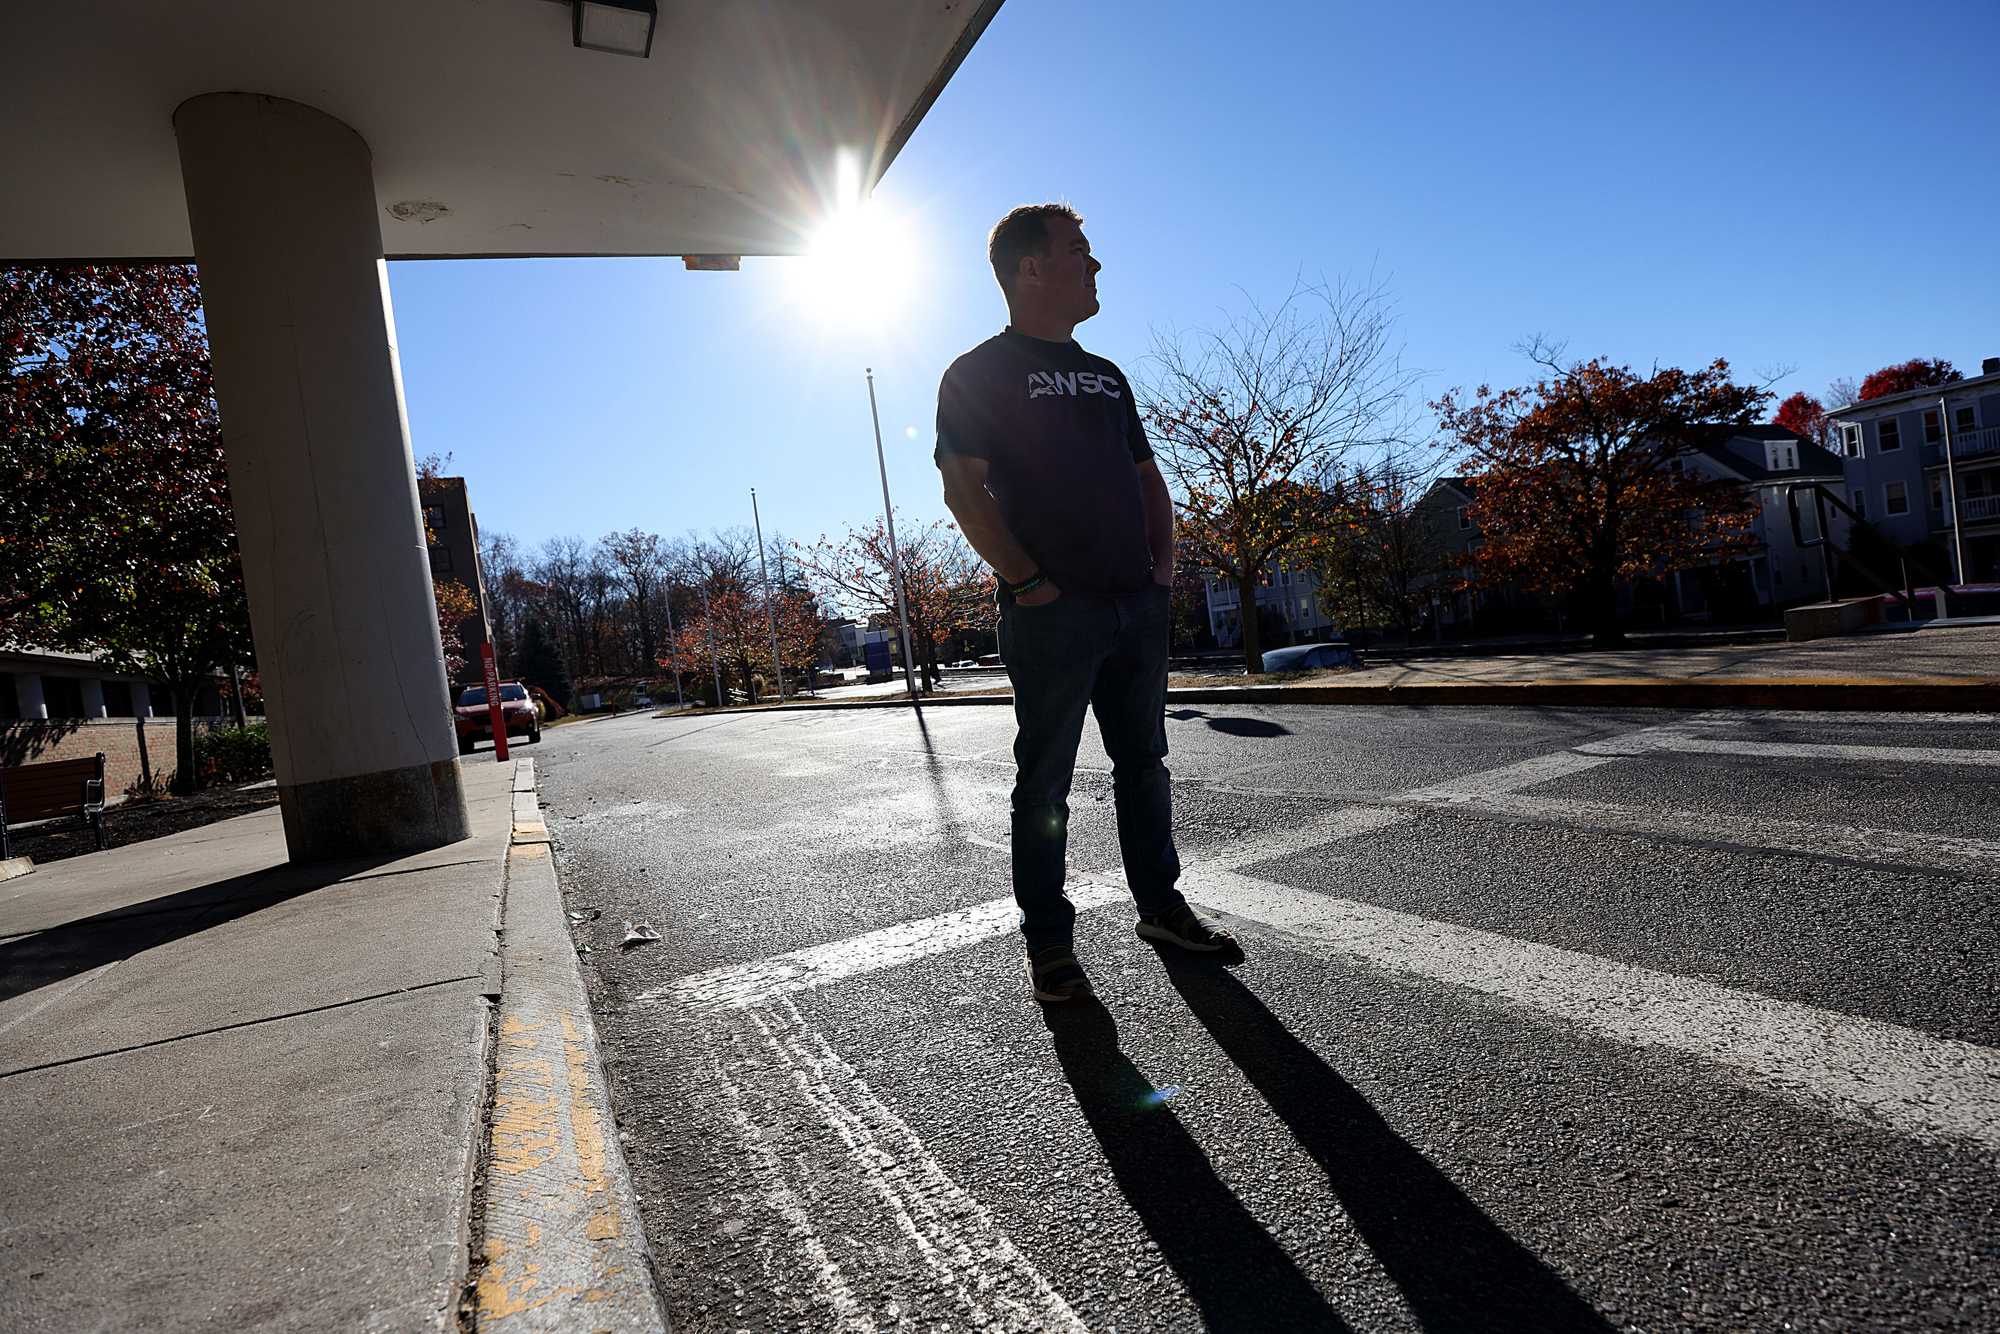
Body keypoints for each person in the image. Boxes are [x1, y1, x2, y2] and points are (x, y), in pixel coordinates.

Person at [934, 203, 1234, 1004]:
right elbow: (963, 487)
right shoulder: (976, 373)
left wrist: (1163, 571)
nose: (1095, 266)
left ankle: (1162, 910)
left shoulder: (1108, 375)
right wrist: (1029, 582)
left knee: (1144, 765)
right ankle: (1050, 946)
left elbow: (1146, 479)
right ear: (1031, 269)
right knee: (1046, 783)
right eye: (1079, 252)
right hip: (1052, 613)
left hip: (1136, 603)